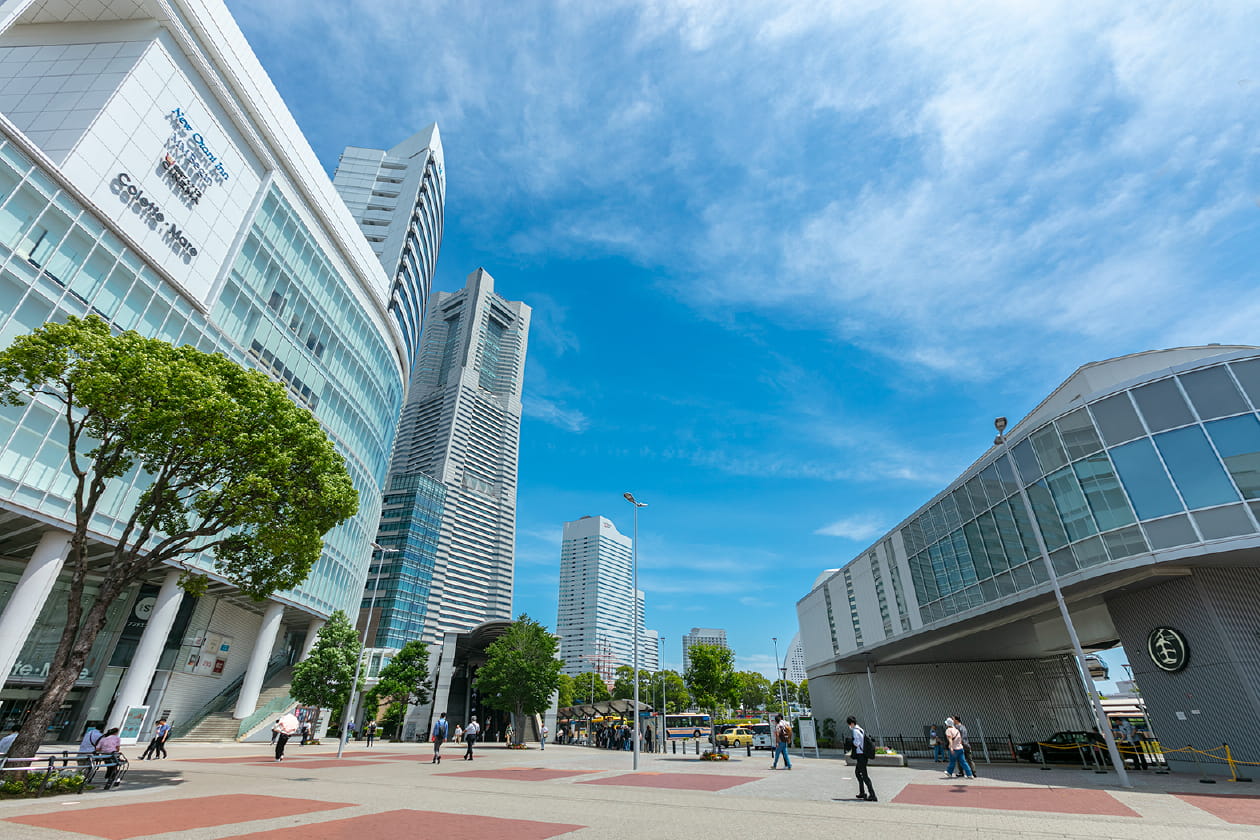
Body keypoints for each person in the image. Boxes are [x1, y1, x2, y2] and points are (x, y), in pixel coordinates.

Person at [847, 716, 876, 801]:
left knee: (864, 775)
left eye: (849, 724)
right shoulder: (860, 729)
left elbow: (857, 743)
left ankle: (872, 795)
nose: (849, 726)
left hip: (861, 755)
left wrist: (851, 741)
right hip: (863, 754)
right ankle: (862, 792)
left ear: (852, 723)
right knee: (858, 773)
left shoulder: (855, 731)